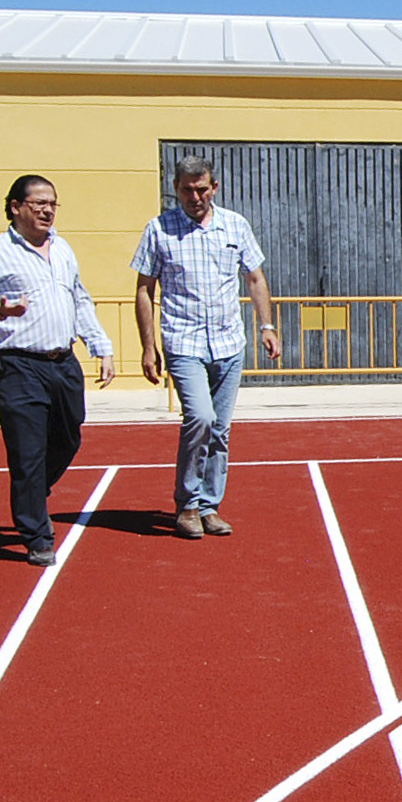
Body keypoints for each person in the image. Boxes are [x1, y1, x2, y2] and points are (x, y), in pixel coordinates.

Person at [0, 175, 115, 566]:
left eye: (52, 203)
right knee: (27, 452)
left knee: (69, 438)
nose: (47, 210)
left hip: (63, 363)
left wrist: (101, 346)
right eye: (39, 203)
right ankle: (37, 535)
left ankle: (32, 490)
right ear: (16, 207)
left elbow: (80, 299)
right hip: (19, 365)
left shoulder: (62, 248)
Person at [131, 156, 282, 539]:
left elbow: (255, 277)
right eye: (187, 190)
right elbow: (145, 289)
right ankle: (187, 505)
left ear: (214, 187)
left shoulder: (235, 225)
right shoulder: (159, 229)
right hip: (184, 341)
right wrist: (148, 347)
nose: (195, 197)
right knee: (199, 418)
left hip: (228, 343)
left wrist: (267, 326)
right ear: (176, 188)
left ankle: (209, 506)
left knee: (220, 430)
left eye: (202, 189)